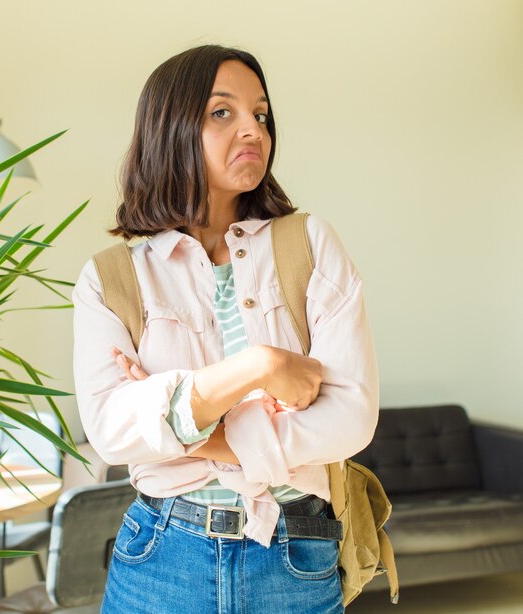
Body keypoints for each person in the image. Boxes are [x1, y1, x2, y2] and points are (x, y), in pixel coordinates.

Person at [72, 44, 378, 614]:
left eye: (260, 114)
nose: (252, 130)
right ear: (169, 128)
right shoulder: (109, 279)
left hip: (296, 556)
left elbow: (352, 419)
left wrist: (183, 424)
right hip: (160, 559)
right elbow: (111, 432)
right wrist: (258, 367)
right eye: (223, 112)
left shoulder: (310, 245)